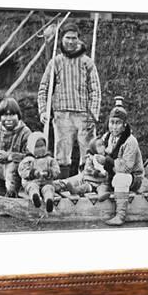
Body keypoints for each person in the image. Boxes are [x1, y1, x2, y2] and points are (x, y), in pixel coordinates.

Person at [37, 21, 102, 179]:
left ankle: (86, 184)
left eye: (74, 38)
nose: (71, 41)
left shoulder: (87, 62)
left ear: (79, 39)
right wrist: (43, 110)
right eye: (68, 37)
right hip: (62, 116)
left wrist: (93, 115)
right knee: (62, 154)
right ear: (62, 39)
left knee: (88, 153)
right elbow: (44, 88)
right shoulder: (55, 62)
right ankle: (63, 186)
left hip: (83, 116)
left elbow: (95, 90)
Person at [101, 97, 145, 226]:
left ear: (124, 124)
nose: (114, 126)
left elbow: (126, 168)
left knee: (120, 178)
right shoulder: (107, 137)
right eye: (112, 122)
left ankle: (120, 215)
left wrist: (107, 161)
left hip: (133, 178)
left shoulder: (130, 141)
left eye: (118, 123)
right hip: (112, 174)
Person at [18, 132, 60, 213]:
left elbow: (56, 170)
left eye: (42, 146)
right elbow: (22, 171)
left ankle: (49, 200)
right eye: (37, 147)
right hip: (32, 181)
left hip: (46, 182)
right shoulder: (28, 160)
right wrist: (33, 173)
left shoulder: (49, 159)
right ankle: (35, 197)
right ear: (31, 147)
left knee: (49, 188)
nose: (41, 149)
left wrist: (49, 173)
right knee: (32, 187)